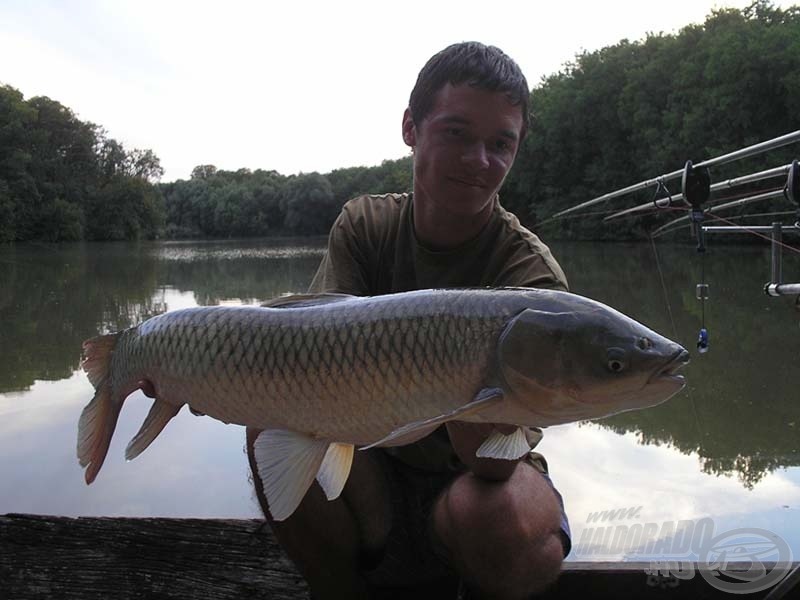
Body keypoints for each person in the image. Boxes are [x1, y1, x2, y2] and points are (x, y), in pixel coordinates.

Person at [246, 41, 571, 600]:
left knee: (507, 525)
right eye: (456, 133)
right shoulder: (366, 225)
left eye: (501, 144)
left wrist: (468, 389)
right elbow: (306, 367)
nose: (479, 160)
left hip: (472, 478)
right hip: (370, 465)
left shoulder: (531, 278)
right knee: (270, 425)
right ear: (410, 127)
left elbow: (495, 463)